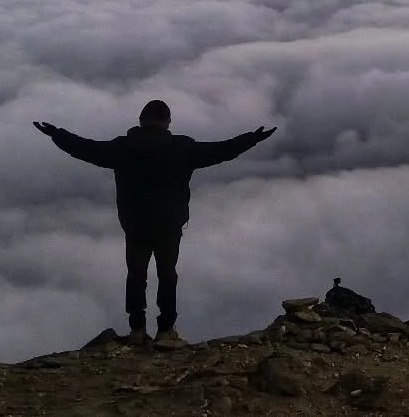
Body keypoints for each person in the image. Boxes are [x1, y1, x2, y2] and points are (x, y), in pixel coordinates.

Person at [34, 100, 276, 347]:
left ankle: (137, 330)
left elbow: (86, 149)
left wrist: (57, 135)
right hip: (169, 226)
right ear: (167, 122)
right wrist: (252, 139)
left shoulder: (122, 148)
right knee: (167, 275)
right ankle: (166, 330)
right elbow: (223, 150)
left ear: (141, 121)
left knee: (136, 276)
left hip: (135, 225)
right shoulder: (182, 148)